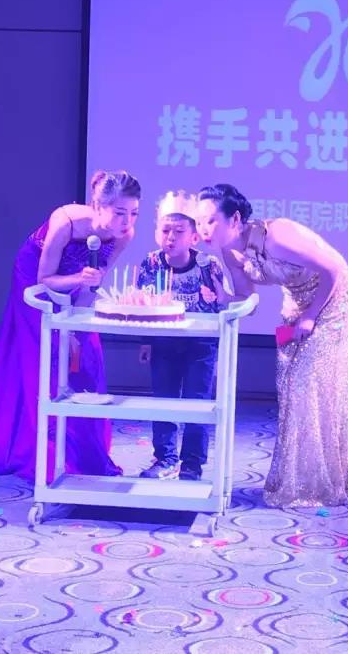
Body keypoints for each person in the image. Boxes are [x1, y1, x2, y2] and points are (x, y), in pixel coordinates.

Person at [196, 183, 348, 507]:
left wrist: (311, 316)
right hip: (297, 300)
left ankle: (321, 483)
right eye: (199, 222)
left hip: (335, 298)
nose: (203, 229)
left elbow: (333, 270)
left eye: (211, 221)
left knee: (308, 381)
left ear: (235, 219)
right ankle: (301, 479)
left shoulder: (277, 236)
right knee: (291, 385)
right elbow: (246, 298)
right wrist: (223, 297)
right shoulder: (229, 252)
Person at [0, 170, 141, 482]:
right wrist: (79, 278)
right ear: (98, 206)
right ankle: (46, 457)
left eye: (133, 213)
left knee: (82, 359)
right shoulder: (67, 221)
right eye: (119, 213)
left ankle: (85, 454)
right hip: (35, 282)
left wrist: (77, 328)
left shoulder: (124, 235)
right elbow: (44, 279)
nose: (126, 221)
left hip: (78, 287)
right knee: (44, 359)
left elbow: (94, 284)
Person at [136, 191, 225, 481]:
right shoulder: (150, 264)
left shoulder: (208, 265)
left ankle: (192, 464)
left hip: (200, 345)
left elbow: (222, 304)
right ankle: (165, 458)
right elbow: (141, 304)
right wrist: (145, 341)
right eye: (165, 231)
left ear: (194, 237)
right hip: (163, 342)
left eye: (178, 231)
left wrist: (215, 298)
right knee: (163, 401)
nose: (170, 238)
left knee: (197, 404)